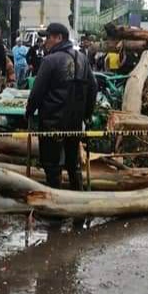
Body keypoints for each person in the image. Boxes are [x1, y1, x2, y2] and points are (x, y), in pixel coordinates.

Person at [25, 23, 97, 190]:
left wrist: (28, 112)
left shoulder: (50, 61)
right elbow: (93, 88)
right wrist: (87, 114)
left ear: (59, 38)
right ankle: (78, 203)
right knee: (73, 164)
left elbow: (37, 92)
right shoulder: (83, 59)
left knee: (51, 165)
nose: (45, 42)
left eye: (48, 37)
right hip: (75, 124)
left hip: (52, 123)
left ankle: (56, 208)